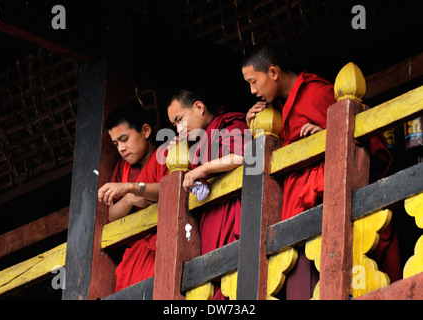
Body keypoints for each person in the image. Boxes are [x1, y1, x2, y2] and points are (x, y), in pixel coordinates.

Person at [242, 45, 400, 299]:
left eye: (253, 81)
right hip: (301, 209)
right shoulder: (281, 109)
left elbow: (364, 139)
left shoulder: (315, 93)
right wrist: (255, 131)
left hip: (329, 202)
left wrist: (327, 135)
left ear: (273, 72)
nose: (252, 91)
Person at [167, 89, 251, 299]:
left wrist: (202, 170)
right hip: (211, 225)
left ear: (198, 107)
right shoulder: (199, 144)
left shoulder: (229, 124)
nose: (178, 129)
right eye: (174, 126)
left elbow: (246, 155)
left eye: (179, 120)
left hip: (235, 218)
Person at [97, 100, 169, 292]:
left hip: (165, 243)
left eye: (124, 139)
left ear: (145, 131)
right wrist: (129, 199)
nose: (120, 148)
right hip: (134, 254)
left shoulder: (169, 153)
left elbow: (173, 190)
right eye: (115, 143)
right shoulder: (123, 168)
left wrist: (134, 187)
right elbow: (112, 216)